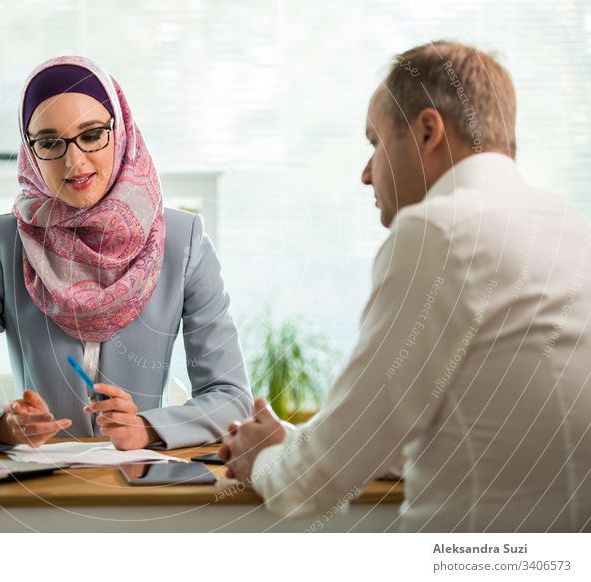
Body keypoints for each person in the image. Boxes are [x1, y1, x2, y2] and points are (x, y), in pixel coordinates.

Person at [220, 41, 591, 532]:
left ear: (427, 131)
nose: (366, 172)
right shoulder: (572, 229)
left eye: (375, 142)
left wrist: (260, 459)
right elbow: (460, 426)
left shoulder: (437, 232)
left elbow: (311, 485)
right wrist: (293, 438)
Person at [0, 55, 251, 454]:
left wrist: (148, 428)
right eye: (50, 143)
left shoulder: (182, 241)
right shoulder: (1, 244)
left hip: (139, 487)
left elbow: (230, 396)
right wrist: (2, 426)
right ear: (29, 150)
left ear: (121, 131)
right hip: (38, 487)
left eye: (91, 135)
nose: (74, 161)